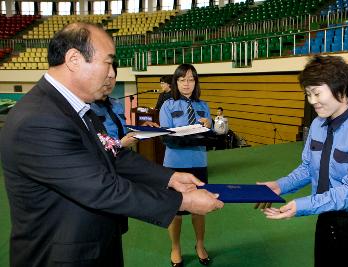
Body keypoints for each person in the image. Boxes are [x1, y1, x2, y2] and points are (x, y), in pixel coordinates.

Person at [0, 22, 224, 267]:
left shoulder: (78, 110)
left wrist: (169, 178)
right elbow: (101, 188)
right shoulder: (38, 119)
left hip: (95, 244)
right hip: (62, 257)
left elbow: (114, 156)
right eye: (108, 62)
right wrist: (182, 202)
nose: (111, 74)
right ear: (74, 59)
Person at [257, 55, 348, 267]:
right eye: (308, 94)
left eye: (316, 93)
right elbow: (308, 168)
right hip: (326, 214)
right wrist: (280, 186)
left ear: (342, 90)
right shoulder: (318, 124)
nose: (311, 101)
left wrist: (302, 205)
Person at [159, 64, 213, 267]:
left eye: (191, 79)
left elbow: (211, 135)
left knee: (200, 208)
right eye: (182, 80)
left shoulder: (203, 105)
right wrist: (194, 135)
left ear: (196, 82)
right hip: (174, 166)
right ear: (176, 82)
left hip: (198, 163)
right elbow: (167, 137)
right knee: (176, 210)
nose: (187, 84)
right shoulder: (168, 106)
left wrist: (210, 126)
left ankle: (200, 245)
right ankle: (175, 248)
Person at [91, 61, 158, 148]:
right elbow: (92, 145)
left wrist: (141, 130)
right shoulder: (86, 107)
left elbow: (123, 133)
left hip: (123, 156)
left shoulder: (116, 104)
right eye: (104, 76)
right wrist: (120, 145)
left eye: (112, 77)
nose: (108, 81)